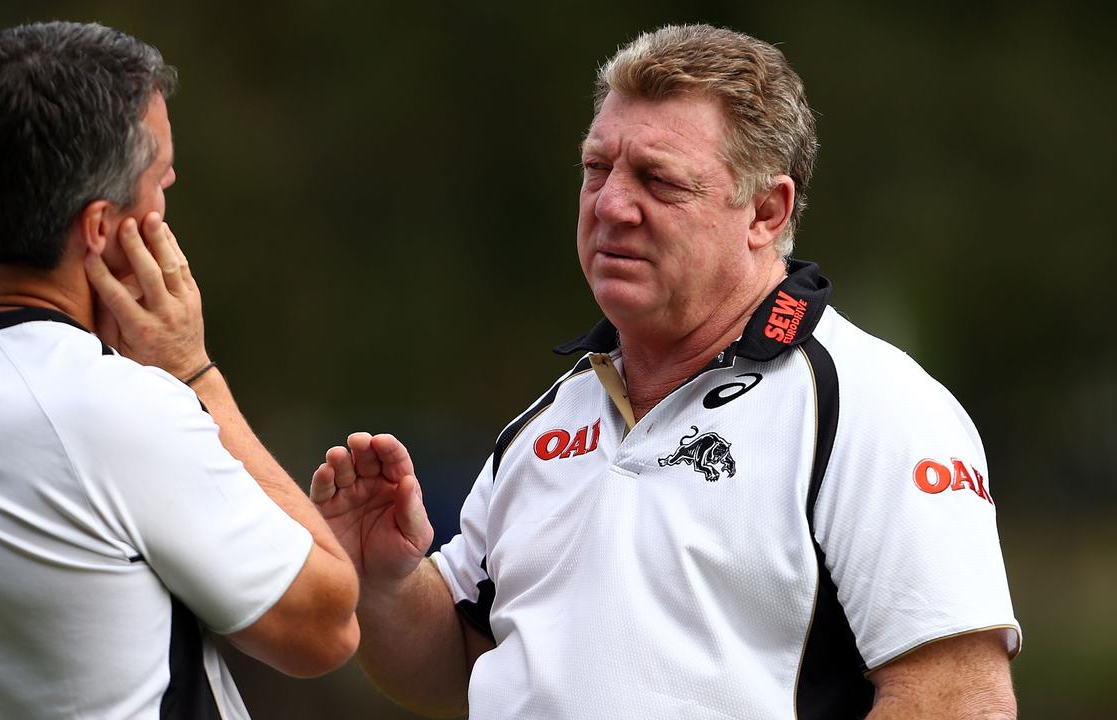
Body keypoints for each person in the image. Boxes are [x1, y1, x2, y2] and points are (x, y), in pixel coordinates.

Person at [310, 24, 1021, 719]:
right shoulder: (550, 420)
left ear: (766, 212)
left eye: (659, 179)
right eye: (597, 168)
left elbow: (960, 700)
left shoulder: (875, 407)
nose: (612, 205)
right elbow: (462, 666)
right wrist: (387, 580)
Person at [0, 21, 358, 719]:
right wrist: (194, 373)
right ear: (102, 228)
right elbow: (327, 625)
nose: (168, 202)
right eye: (162, 180)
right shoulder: (113, 408)